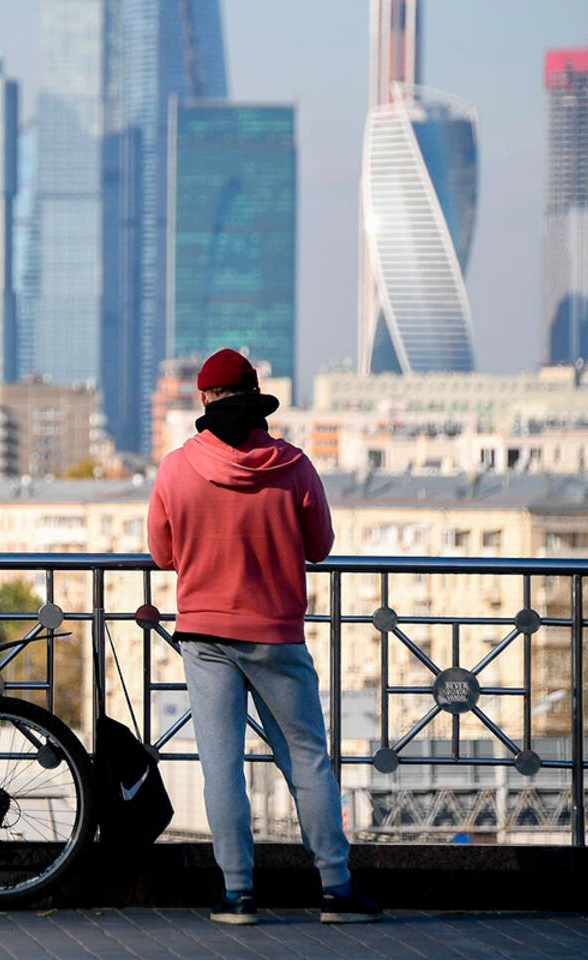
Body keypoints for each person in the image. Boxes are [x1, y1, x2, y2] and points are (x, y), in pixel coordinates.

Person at [147, 348, 381, 926]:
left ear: (203, 398)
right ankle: (336, 890)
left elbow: (162, 554)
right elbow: (320, 547)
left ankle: (238, 894)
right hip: (277, 634)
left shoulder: (177, 468)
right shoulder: (295, 465)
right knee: (307, 759)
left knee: (220, 766)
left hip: (204, 634)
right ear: (254, 396)